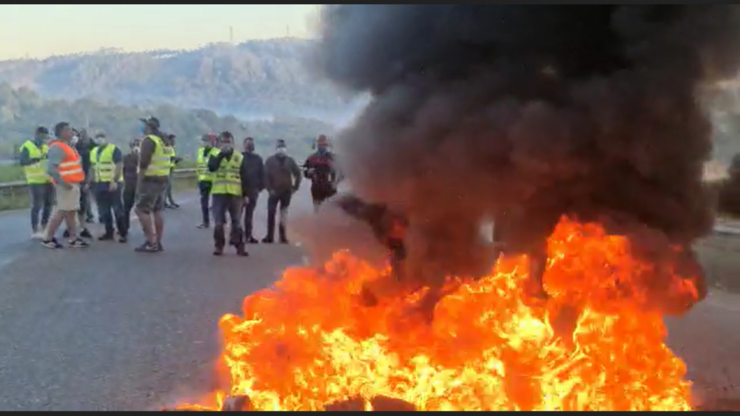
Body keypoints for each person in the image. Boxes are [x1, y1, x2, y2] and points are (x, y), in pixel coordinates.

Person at [41, 122, 89, 249]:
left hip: (73, 183)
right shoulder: (58, 147)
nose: (71, 133)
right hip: (66, 185)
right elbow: (52, 169)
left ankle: (73, 237)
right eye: (68, 130)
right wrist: (64, 183)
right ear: (61, 132)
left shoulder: (68, 146)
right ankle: (48, 238)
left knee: (71, 211)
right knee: (61, 211)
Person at [207, 131, 250, 256]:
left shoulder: (239, 157)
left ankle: (239, 246)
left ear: (233, 143)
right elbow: (212, 167)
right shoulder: (214, 154)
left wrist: (245, 195)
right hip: (219, 192)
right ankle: (219, 246)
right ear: (219, 143)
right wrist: (221, 155)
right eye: (223, 142)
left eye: (228, 142)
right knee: (219, 222)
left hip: (235, 193)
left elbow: (245, 176)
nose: (226, 144)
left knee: (236, 222)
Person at [133, 116, 171, 253]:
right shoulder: (163, 141)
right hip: (162, 178)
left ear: (148, 126)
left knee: (141, 209)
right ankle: (158, 241)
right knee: (157, 210)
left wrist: (138, 184)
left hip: (150, 179)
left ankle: (151, 241)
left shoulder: (149, 141)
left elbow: (143, 164)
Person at [89, 130, 126, 242]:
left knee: (117, 209)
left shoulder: (114, 149)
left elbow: (119, 165)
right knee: (104, 210)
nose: (99, 139)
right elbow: (93, 167)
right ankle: (109, 232)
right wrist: (89, 182)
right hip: (99, 183)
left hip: (112, 182)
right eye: (97, 137)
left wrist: (114, 181)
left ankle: (122, 233)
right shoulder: (94, 151)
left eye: (102, 137)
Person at [263, 139, 301, 244]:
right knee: (271, 213)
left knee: (283, 214)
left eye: (283, 147)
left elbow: (298, 173)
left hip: (286, 192)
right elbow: (265, 176)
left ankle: (282, 236)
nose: (281, 149)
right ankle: (269, 236)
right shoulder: (270, 161)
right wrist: (269, 189)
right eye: (279, 147)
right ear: (276, 149)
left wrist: (295, 187)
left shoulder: (290, 161)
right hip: (273, 192)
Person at [19, 126, 54, 239]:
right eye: (43, 136)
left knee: (49, 204)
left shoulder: (46, 147)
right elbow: (23, 161)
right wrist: (37, 159)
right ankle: (35, 229)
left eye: (46, 136)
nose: (44, 138)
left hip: (48, 179)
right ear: (37, 134)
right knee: (37, 205)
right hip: (35, 180)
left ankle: (45, 226)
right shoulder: (27, 146)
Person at [62, 129, 94, 239]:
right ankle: (70, 228)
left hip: (81, 182)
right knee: (69, 207)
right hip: (70, 183)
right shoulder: (66, 152)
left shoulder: (84, 153)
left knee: (81, 207)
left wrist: (88, 182)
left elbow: (89, 168)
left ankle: (83, 227)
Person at [303, 134, 338, 212]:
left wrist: (335, 182)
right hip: (316, 187)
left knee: (331, 210)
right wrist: (308, 172)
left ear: (327, 145)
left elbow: (341, 171)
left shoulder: (333, 158)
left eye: (324, 145)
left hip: (330, 187)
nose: (322, 147)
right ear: (317, 145)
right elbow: (305, 171)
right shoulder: (311, 158)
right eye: (320, 145)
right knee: (317, 209)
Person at [241, 136, 265, 243]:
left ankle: (248, 235)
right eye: (248, 143)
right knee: (237, 215)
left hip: (252, 191)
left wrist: (258, 188)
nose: (250, 145)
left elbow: (262, 175)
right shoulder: (239, 157)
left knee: (248, 215)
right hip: (240, 191)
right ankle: (236, 236)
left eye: (251, 143)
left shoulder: (258, 159)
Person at [196, 133, 219, 229]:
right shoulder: (200, 151)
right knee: (204, 202)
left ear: (212, 142)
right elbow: (198, 165)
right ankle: (206, 222)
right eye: (203, 141)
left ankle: (218, 222)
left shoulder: (217, 152)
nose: (205, 143)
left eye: (207, 141)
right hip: (203, 180)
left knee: (216, 203)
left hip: (214, 180)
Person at [121, 137, 141, 242]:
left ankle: (124, 229)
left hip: (135, 184)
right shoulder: (128, 157)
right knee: (127, 208)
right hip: (132, 184)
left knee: (140, 209)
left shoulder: (129, 157)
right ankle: (124, 229)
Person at [163, 133, 181, 209]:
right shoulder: (167, 148)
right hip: (166, 169)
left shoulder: (171, 148)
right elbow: (169, 158)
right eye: (172, 139)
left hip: (170, 169)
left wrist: (176, 160)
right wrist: (176, 159)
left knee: (168, 187)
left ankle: (169, 202)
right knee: (167, 187)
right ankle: (164, 203)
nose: (174, 141)